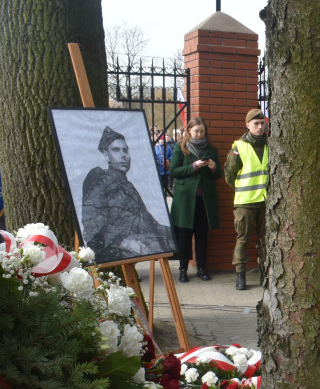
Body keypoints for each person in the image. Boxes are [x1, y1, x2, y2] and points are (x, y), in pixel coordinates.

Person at [81, 126, 174, 263]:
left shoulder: (128, 186)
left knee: (172, 237)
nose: (123, 155)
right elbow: (92, 225)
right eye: (116, 150)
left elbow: (146, 220)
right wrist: (123, 242)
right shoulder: (99, 179)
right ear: (106, 155)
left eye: (125, 150)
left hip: (138, 239)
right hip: (111, 248)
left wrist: (169, 232)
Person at [170, 117, 220, 283]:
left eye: (202, 131)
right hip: (185, 201)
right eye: (196, 131)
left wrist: (213, 167)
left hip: (204, 201)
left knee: (202, 235)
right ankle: (183, 269)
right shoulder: (181, 147)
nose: (199, 134)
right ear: (189, 131)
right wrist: (194, 166)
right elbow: (174, 171)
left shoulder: (211, 149)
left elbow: (218, 175)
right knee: (184, 235)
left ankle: (201, 267)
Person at [224, 109, 268, 291]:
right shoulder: (239, 147)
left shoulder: (270, 145)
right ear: (247, 125)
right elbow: (229, 175)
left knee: (266, 239)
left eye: (262, 123)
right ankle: (240, 275)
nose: (259, 127)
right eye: (255, 123)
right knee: (243, 239)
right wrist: (242, 190)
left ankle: (265, 272)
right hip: (246, 203)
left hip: (267, 202)